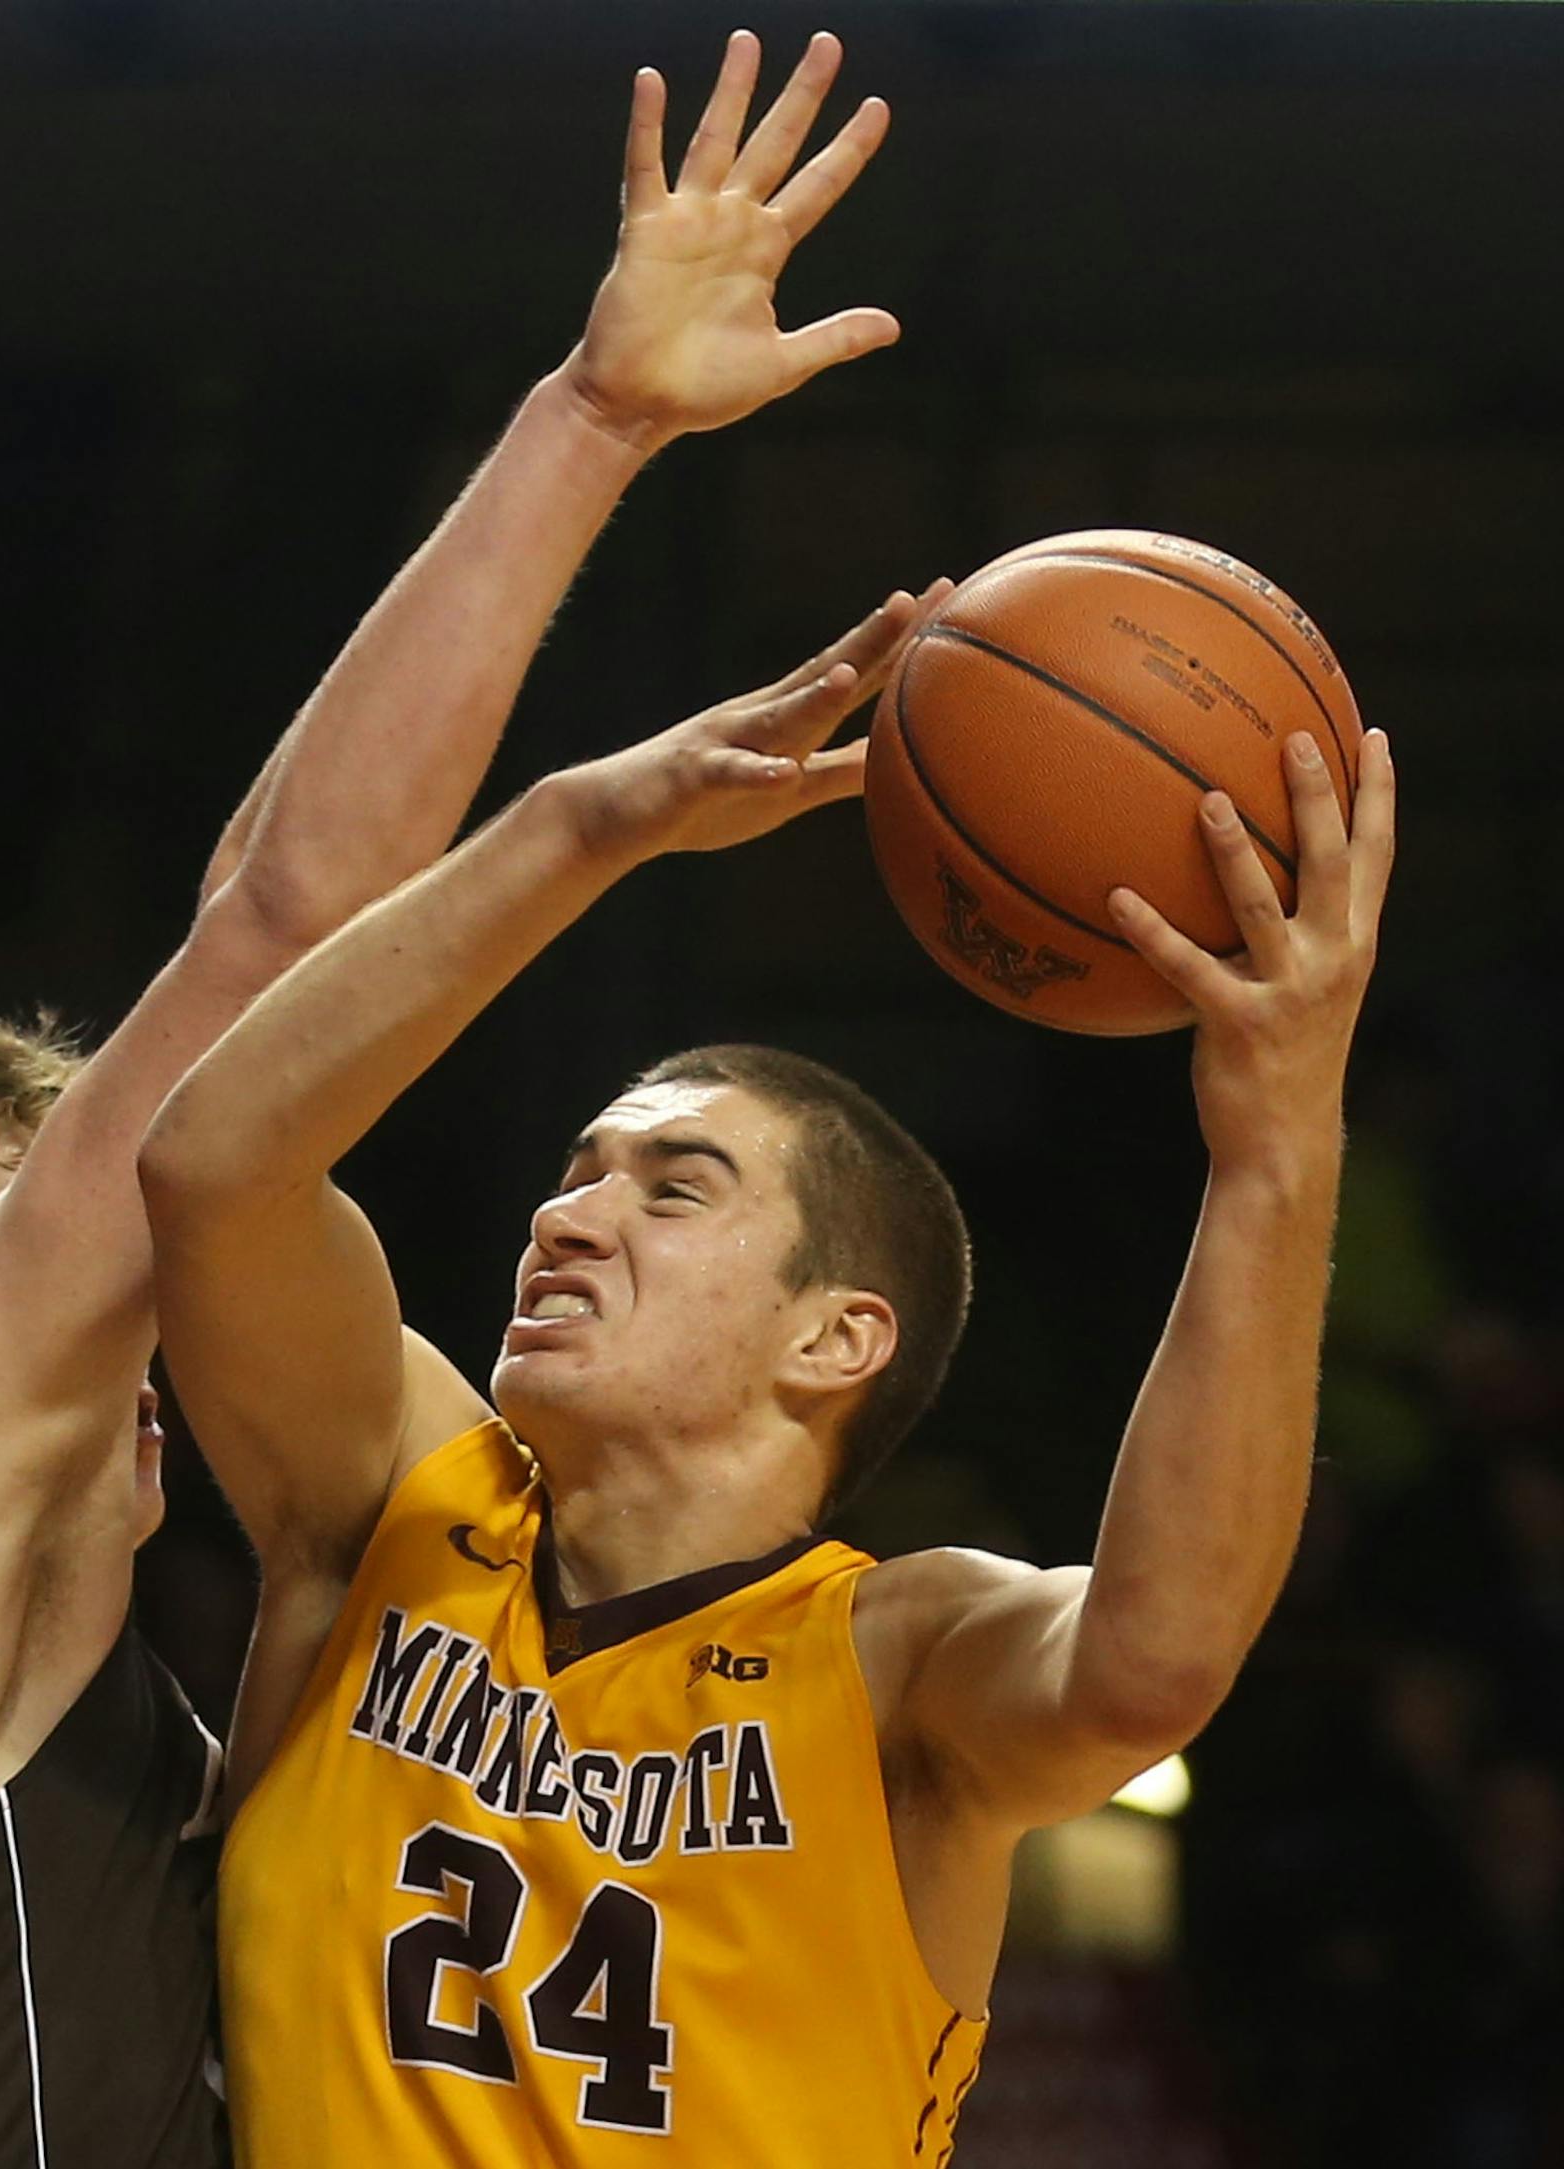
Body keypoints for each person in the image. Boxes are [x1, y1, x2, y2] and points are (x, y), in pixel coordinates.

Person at [0, 28, 911, 2166]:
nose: (156, 1302)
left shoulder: (138, 1720)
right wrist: (594, 423)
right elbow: (267, 942)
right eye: (42, 1230)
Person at [138, 583, 1397, 2152]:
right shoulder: (396, 1495)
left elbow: (1152, 1662)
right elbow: (211, 1169)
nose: (567, 1217)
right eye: (577, 1170)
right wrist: (586, 828)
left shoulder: (895, 1660)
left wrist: (1276, 1141)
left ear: (837, 1336)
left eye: (672, 1189)